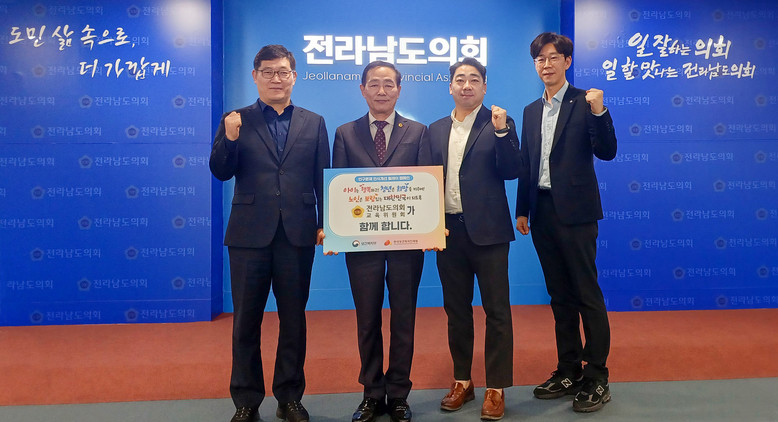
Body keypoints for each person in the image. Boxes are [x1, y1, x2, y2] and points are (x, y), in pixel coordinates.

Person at [209, 44, 330, 422]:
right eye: (268, 72)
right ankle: (246, 401)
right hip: (249, 235)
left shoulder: (314, 122)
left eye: (283, 72)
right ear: (255, 76)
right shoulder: (236, 119)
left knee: (294, 320)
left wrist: (326, 223)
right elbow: (220, 171)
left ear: (294, 76)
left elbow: (322, 177)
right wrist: (229, 138)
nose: (276, 79)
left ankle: (289, 397)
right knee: (246, 321)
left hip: (298, 234)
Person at [515, 32, 617, 413]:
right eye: (540, 59)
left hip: (576, 214)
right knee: (559, 297)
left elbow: (607, 151)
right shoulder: (530, 110)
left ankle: (597, 375)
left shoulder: (584, 101)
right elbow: (527, 163)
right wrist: (522, 210)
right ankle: (569, 369)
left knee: (586, 294)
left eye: (553, 57)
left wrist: (600, 112)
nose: (546, 64)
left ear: (567, 62)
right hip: (541, 212)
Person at [330, 60, 431, 422]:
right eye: (374, 84)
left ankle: (399, 394)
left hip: (407, 242)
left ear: (399, 90)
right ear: (362, 90)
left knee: (404, 319)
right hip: (362, 245)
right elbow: (338, 189)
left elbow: (426, 185)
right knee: (367, 319)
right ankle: (372, 393)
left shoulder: (418, 132)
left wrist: (431, 228)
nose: (382, 91)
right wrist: (334, 229)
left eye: (389, 84)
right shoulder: (345, 133)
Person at [428, 57, 521, 421]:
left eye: (473, 79)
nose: (466, 85)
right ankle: (462, 381)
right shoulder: (435, 129)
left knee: (497, 312)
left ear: (484, 86)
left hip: (490, 233)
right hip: (449, 232)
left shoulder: (499, 123)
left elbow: (512, 170)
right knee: (456, 311)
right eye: (460, 79)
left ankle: (496, 388)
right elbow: (424, 182)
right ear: (450, 86)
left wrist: (501, 132)